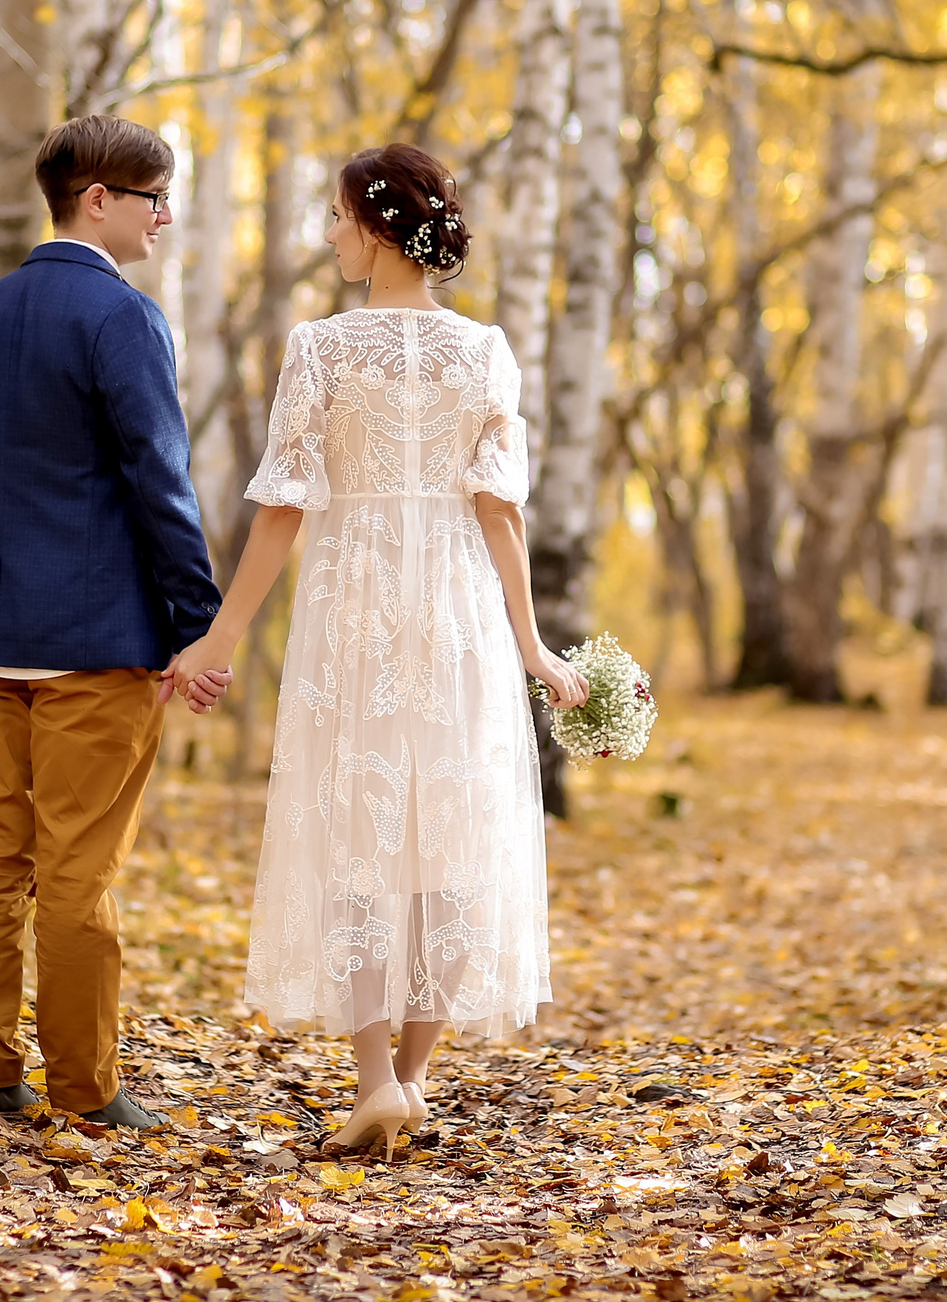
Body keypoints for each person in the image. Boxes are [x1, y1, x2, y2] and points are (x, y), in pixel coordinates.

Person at [164, 142, 587, 1158]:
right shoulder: (484, 351)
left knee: (360, 838)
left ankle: (373, 1083)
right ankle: (410, 1079)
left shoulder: (319, 348)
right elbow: (500, 513)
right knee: (444, 837)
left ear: (374, 225)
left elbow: (280, 512)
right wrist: (531, 647)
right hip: (454, 608)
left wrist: (219, 637)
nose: (324, 232)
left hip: (352, 608)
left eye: (334, 216)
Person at [0, 114, 229, 1130]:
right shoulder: (122, 317)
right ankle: (85, 1089)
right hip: (99, 644)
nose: (165, 216)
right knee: (76, 872)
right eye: (153, 197)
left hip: (3, 642)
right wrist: (199, 620)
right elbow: (161, 481)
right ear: (96, 200)